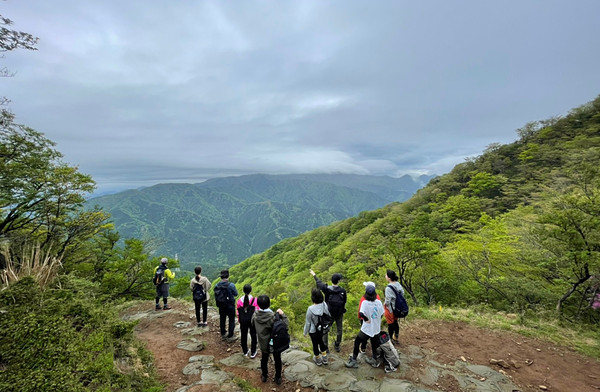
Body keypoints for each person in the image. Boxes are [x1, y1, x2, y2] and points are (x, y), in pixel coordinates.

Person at [345, 283, 384, 369]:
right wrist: (376, 320)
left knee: (357, 341)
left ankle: (354, 360)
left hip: (367, 328)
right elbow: (382, 314)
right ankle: (374, 360)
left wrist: (366, 319)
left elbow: (361, 313)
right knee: (374, 343)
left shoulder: (365, 303)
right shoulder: (378, 302)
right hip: (376, 328)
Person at [252, 294, 289, 385]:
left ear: (258, 304)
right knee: (277, 359)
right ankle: (278, 377)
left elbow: (252, 325)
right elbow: (285, 326)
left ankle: (264, 375)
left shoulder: (255, 316)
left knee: (264, 358)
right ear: (269, 304)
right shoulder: (273, 317)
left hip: (263, 342)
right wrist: (282, 314)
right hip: (275, 343)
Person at [310, 269, 346, 352]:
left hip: (328, 313)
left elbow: (319, 283)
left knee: (325, 329)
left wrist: (314, 275)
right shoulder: (342, 291)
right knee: (339, 329)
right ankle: (337, 344)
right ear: (338, 281)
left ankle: (325, 346)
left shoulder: (327, 289)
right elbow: (344, 301)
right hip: (339, 313)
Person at [303, 288, 331, 366]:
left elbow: (308, 323)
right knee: (321, 342)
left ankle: (318, 359)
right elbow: (327, 314)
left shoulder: (310, 309)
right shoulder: (324, 304)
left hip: (313, 330)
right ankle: (325, 358)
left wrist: (305, 332)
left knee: (315, 344)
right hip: (321, 328)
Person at [214, 269, 238, 342]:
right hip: (230, 305)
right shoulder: (231, 285)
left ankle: (223, 333)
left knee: (222, 318)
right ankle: (230, 335)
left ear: (221, 277)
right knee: (231, 319)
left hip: (221, 305)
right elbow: (236, 294)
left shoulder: (217, 285)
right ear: (228, 276)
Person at [357, 281, 381, 353]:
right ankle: (375, 351)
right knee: (374, 334)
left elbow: (360, 310)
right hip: (375, 319)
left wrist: (361, 317)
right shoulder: (378, 297)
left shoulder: (364, 298)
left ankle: (363, 348)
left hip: (366, 319)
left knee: (365, 333)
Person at [237, 284, 260, 357]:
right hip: (252, 321)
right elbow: (257, 311)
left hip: (243, 321)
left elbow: (238, 313)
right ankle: (253, 352)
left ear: (243, 291)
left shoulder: (240, 300)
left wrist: (240, 320)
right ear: (251, 290)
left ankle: (245, 351)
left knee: (243, 335)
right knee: (253, 335)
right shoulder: (254, 300)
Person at [384, 269, 405, 344]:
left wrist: (387, 308)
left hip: (390, 308)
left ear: (389, 278)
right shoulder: (398, 284)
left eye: (386, 275)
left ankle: (389, 340)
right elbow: (402, 294)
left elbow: (388, 300)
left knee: (390, 324)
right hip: (397, 308)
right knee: (395, 322)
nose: (385, 276)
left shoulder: (388, 288)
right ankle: (396, 337)